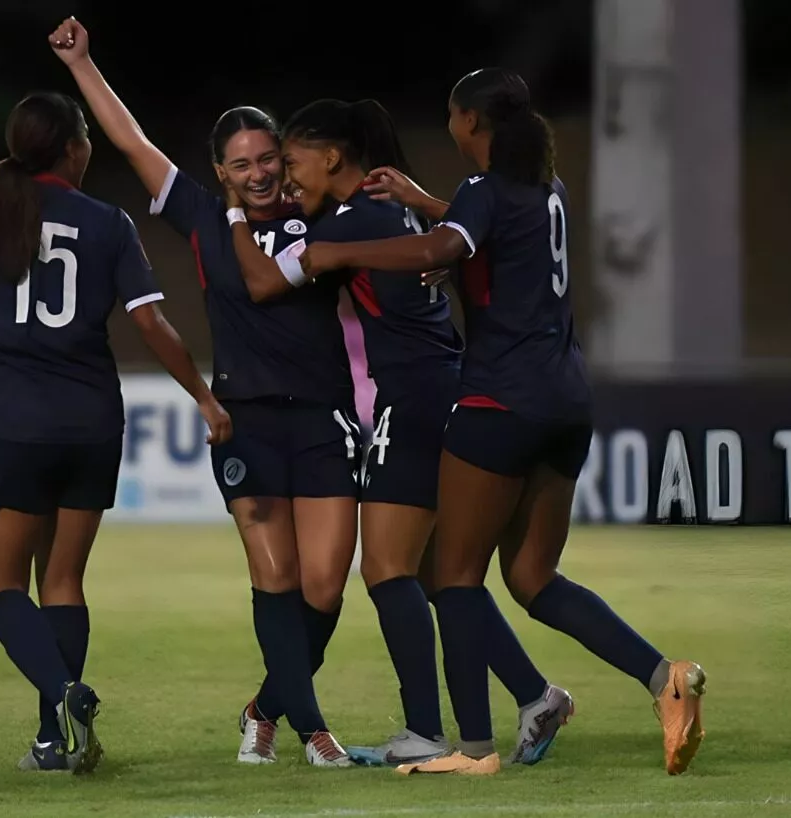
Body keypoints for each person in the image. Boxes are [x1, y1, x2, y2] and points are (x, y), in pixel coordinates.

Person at [299, 68, 707, 777]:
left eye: (453, 116)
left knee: (452, 577)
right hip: (567, 401)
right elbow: (474, 226)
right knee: (533, 576)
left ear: (470, 123)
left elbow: (441, 248)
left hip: (498, 402)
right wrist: (422, 199)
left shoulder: (484, 193)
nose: (450, 127)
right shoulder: (548, 190)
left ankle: (471, 749)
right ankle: (663, 676)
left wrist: (339, 251)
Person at [224, 97, 573, 767]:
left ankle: (426, 730)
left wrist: (235, 211)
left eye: (292, 161)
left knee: (385, 568)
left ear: (332, 158)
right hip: (448, 388)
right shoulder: (392, 215)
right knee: (441, 575)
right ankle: (533, 696)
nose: (287, 177)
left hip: (411, 398)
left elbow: (267, 281)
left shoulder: (356, 224)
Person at [50, 17, 358, 767]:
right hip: (245, 420)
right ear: (219, 172)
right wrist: (82, 64)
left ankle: (264, 706)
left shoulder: (317, 212)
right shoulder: (199, 215)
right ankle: (311, 731)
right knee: (276, 578)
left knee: (324, 588)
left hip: (323, 415)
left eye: (266, 157)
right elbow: (130, 143)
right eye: (241, 163)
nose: (257, 171)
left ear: (284, 158)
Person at [0, 91, 231, 774]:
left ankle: (63, 696)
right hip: (93, 424)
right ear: (75, 148)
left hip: (17, 425)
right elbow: (151, 326)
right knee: (64, 581)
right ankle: (55, 741)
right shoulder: (108, 223)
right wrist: (203, 396)